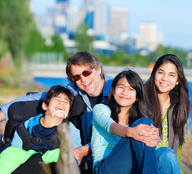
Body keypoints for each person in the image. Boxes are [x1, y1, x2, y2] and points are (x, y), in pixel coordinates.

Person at [0, 51, 158, 172]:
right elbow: (40, 98)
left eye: (87, 72)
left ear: (98, 69)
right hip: (100, 161)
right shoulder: (76, 94)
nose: (83, 79)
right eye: (76, 77)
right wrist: (3, 111)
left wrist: (153, 134)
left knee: (162, 150)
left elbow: (140, 117)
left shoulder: (120, 91)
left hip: (122, 151)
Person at [91, 69, 181, 174]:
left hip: (132, 168)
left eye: (131, 89)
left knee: (166, 153)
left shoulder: (138, 120)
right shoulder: (101, 109)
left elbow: (148, 152)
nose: (125, 92)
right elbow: (109, 126)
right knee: (143, 124)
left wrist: (155, 140)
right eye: (120, 87)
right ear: (113, 90)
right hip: (105, 168)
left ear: (137, 97)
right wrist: (131, 132)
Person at [0, 85, 81, 174]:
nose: (62, 103)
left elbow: (75, 154)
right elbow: (16, 150)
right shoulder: (27, 125)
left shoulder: (71, 130)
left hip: (52, 165)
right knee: (10, 152)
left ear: (68, 112)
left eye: (66, 102)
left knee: (64, 155)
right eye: (57, 99)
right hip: (27, 161)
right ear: (45, 106)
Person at [145, 54, 190, 166]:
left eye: (171, 75)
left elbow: (178, 146)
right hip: (144, 164)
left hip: (167, 165)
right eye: (161, 72)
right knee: (166, 153)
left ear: (177, 81)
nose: (165, 78)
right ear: (154, 73)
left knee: (168, 154)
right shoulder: (141, 100)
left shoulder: (179, 106)